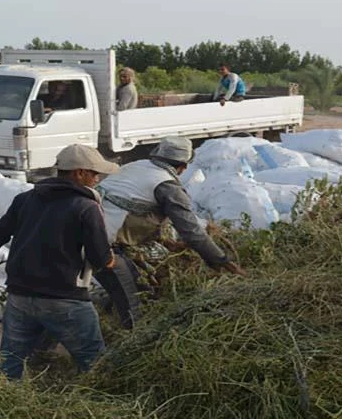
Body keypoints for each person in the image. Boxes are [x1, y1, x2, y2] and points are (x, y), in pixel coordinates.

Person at [0, 144, 119, 380]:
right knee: (94, 363)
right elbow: (100, 258)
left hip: (20, 296)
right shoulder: (86, 207)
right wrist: (111, 261)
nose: (97, 178)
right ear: (78, 173)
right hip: (65, 299)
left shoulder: (25, 199)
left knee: (11, 365)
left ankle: (7, 402)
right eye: (93, 173)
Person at [94, 136, 247, 329]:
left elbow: (133, 209)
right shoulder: (166, 185)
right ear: (183, 166)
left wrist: (166, 242)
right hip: (101, 246)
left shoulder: (136, 167)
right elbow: (191, 232)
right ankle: (131, 342)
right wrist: (223, 261)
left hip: (90, 234)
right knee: (134, 305)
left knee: (134, 287)